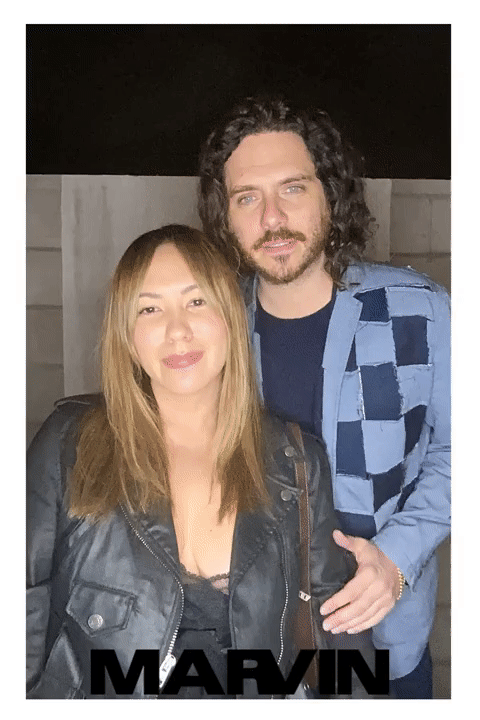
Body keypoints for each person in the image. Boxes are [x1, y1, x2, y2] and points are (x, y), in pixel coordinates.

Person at [27, 224, 378, 700]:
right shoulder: (69, 445)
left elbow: (337, 631)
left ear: (230, 316)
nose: (178, 330)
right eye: (150, 308)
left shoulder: (296, 459)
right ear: (127, 335)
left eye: (196, 301)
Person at [198, 97, 451, 699]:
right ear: (225, 216)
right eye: (247, 198)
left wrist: (396, 559)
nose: (272, 218)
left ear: (330, 196)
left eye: (293, 188)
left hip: (385, 644)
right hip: (251, 646)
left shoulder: (420, 312)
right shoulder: (208, 329)